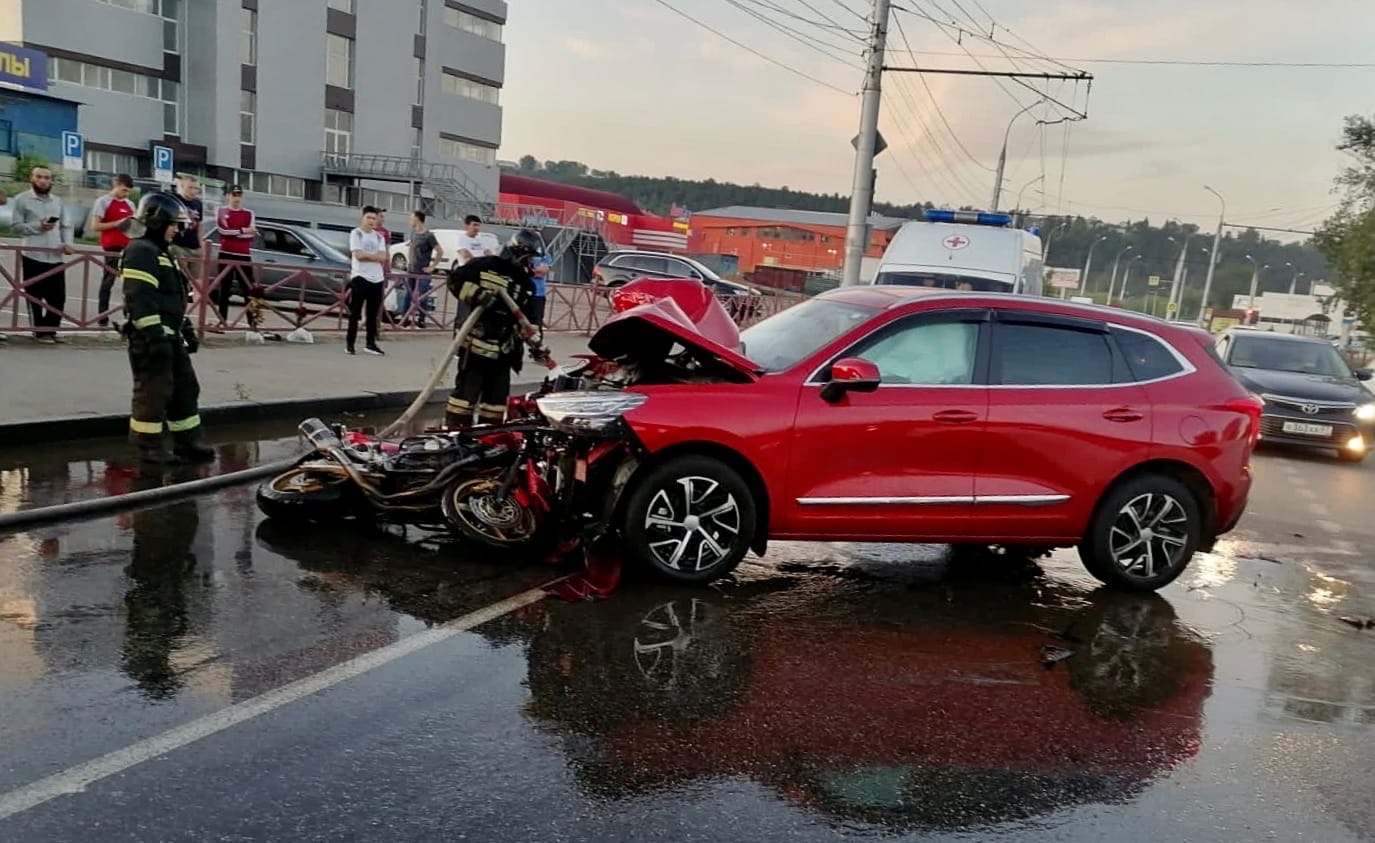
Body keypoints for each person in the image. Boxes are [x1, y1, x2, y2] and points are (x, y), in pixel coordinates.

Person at [120, 192, 215, 464]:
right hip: (150, 338)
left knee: (186, 388)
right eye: (173, 224)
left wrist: (184, 328)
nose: (177, 229)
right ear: (157, 222)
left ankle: (188, 442)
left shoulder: (161, 252)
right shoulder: (140, 251)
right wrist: (155, 335)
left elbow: (169, 299)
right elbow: (140, 299)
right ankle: (147, 447)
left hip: (168, 336)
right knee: (153, 392)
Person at [444, 229, 542, 428]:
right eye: (528, 258)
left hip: (505, 352)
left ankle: (489, 443)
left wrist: (533, 334)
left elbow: (530, 317)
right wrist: (477, 295)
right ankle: (454, 437)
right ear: (517, 253)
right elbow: (455, 280)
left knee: (495, 404)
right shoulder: (483, 266)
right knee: (464, 398)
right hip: (476, 346)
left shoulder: (526, 283)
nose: (530, 263)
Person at [11, 167, 75, 343]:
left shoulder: (58, 201)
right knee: (34, 296)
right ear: (31, 178)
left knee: (58, 297)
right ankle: (39, 332)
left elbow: (66, 225)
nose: (43, 180)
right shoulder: (21, 200)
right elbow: (16, 226)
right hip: (33, 254)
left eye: (47, 177)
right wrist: (38, 226)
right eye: (39, 177)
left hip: (55, 255)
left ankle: (51, 330)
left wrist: (68, 244)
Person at [90, 174, 138, 328]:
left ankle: (128, 315)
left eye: (128, 192)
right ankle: (102, 316)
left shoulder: (130, 204)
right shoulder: (103, 202)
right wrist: (116, 224)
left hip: (128, 246)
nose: (125, 194)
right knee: (108, 281)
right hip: (111, 246)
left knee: (130, 283)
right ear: (116, 185)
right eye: (123, 190)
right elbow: (95, 226)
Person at [213, 185, 257, 331]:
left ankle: (253, 323)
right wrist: (242, 230)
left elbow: (251, 235)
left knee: (248, 289)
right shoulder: (221, 211)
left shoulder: (249, 213)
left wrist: (239, 233)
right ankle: (222, 321)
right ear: (228, 196)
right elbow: (223, 231)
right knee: (224, 289)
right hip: (225, 253)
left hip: (243, 255)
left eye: (239, 195)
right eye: (234, 194)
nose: (236, 198)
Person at [346, 206, 389, 356]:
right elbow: (358, 255)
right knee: (355, 312)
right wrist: (373, 256)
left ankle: (370, 343)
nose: (371, 221)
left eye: (374, 218)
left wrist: (369, 255)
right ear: (362, 218)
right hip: (360, 276)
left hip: (377, 278)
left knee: (372, 313)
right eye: (368, 218)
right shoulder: (356, 233)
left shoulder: (379, 237)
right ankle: (350, 343)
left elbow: (383, 257)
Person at [403, 210, 443, 328]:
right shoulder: (413, 232)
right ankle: (405, 318)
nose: (410, 221)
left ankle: (421, 319)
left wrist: (433, 267)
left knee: (422, 296)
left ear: (418, 219)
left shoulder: (429, 236)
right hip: (411, 269)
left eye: (411, 218)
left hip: (423, 271)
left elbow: (440, 251)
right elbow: (411, 246)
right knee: (408, 295)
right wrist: (408, 261)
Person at [166, 174, 205, 282]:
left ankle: (195, 298)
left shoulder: (198, 203)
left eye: (196, 188)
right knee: (181, 277)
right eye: (190, 187)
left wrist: (201, 244)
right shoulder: (174, 199)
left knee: (197, 281)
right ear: (182, 186)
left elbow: (199, 224)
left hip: (194, 246)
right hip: (178, 244)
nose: (194, 191)